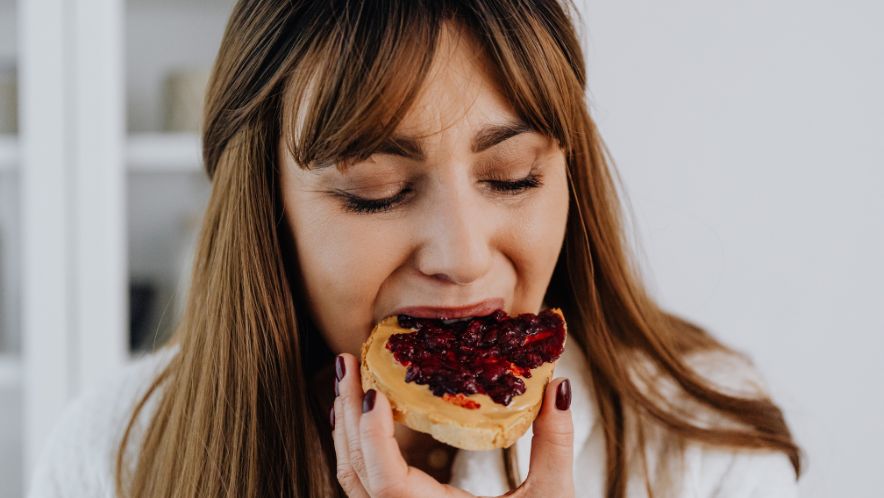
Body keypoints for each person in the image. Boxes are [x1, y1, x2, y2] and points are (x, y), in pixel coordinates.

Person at [27, 1, 803, 497]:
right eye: (376, 190)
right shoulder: (114, 457)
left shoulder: (703, 447)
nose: (463, 256)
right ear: (266, 210)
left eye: (512, 177)